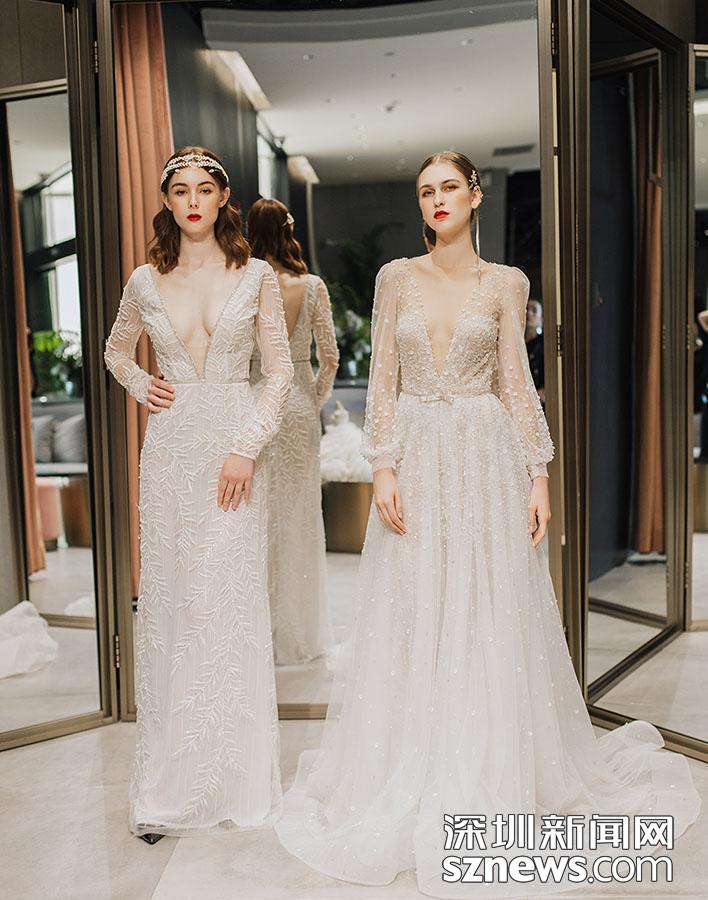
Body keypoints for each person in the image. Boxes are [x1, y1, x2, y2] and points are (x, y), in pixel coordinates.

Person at [273, 151, 700, 897]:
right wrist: (382, 466)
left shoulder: (507, 282)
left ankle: (488, 758)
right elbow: (383, 380)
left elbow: (515, 382)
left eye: (449, 187)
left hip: (483, 454)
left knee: (485, 604)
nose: (437, 199)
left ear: (475, 195)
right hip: (417, 455)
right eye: (425, 191)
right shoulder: (395, 277)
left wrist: (539, 474)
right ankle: (412, 756)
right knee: (416, 602)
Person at [104, 147, 293, 839]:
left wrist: (247, 446)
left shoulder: (257, 275)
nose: (191, 201)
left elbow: (279, 373)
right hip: (171, 452)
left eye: (203, 190)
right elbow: (115, 350)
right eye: (179, 190)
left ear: (223, 199)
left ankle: (234, 782)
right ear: (167, 201)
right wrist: (139, 383)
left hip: (234, 449)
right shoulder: (144, 280)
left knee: (229, 603)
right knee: (176, 605)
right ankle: (170, 784)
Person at [247, 198, 339, 665]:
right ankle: (298, 633)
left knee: (256, 519)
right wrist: (311, 400)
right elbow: (331, 358)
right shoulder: (312, 286)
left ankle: (256, 633)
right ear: (288, 230)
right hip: (298, 406)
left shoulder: (243, 283)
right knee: (300, 519)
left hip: (253, 403)